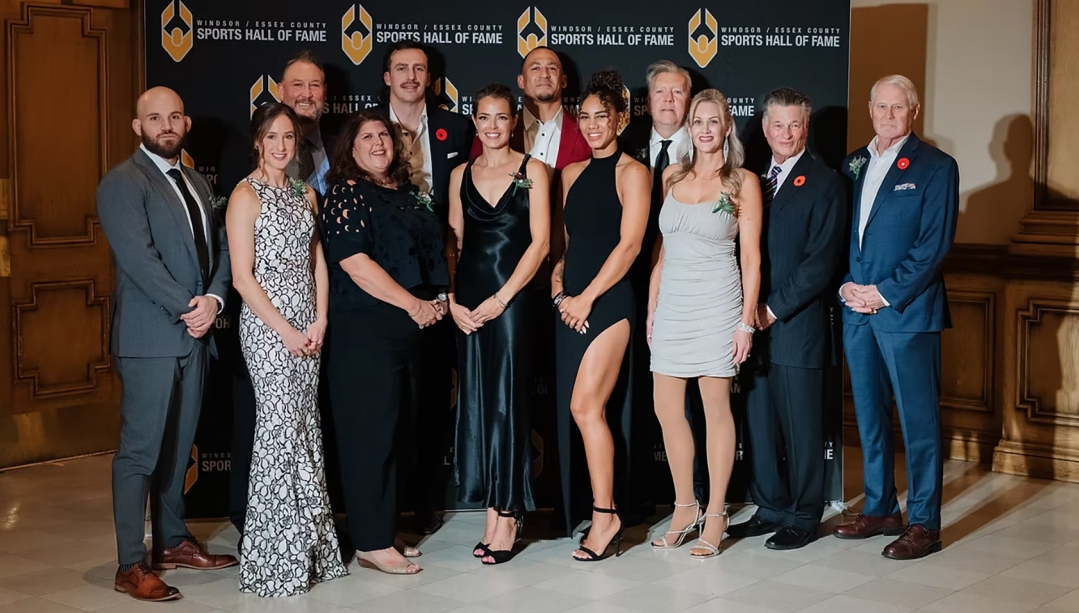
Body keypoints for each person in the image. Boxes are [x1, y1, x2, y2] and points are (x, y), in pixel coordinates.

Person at [96, 86, 236, 602]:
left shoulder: (197, 182)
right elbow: (141, 261)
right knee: (140, 452)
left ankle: (173, 541)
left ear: (186, 122)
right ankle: (131, 562)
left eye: (174, 116)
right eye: (154, 118)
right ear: (138, 127)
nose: (166, 125)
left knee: (179, 449)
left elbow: (219, 249)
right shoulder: (121, 183)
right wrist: (190, 305)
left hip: (195, 334)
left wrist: (216, 301)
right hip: (151, 337)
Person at [319, 109, 450, 575]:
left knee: (398, 434)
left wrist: (436, 300)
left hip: (411, 332)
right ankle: (372, 544)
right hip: (367, 330)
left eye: (383, 135)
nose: (378, 143)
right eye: (366, 137)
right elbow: (354, 262)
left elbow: (433, 254)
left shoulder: (409, 194)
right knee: (369, 437)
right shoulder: (347, 193)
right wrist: (412, 306)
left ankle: (385, 527)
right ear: (350, 149)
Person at [834, 75, 959, 561]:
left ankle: (925, 523)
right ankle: (883, 507)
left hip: (906, 315)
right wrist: (847, 284)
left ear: (914, 110)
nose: (888, 115)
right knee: (868, 417)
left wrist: (883, 293)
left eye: (898, 108)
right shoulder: (854, 163)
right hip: (856, 313)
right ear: (870, 110)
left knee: (918, 422)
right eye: (881, 106)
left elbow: (933, 247)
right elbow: (841, 234)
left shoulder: (936, 166)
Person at [225, 102, 348, 596]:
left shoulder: (304, 193)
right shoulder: (243, 195)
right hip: (267, 331)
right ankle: (274, 560)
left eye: (289, 138)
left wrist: (319, 318)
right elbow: (241, 277)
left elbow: (317, 259)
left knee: (304, 431)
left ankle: (312, 554)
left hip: (308, 327)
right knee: (278, 435)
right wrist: (286, 331)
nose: (280, 146)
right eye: (271, 137)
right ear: (257, 140)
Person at [726, 88, 846, 550]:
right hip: (752, 328)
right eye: (778, 125)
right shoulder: (752, 181)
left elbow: (820, 263)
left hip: (796, 327)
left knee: (800, 428)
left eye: (795, 125)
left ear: (806, 127)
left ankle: (803, 514)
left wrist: (770, 310)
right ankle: (770, 506)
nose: (786, 134)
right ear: (765, 125)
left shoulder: (826, 183)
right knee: (758, 423)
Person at [647, 89, 762, 558]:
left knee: (716, 411)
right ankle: (684, 506)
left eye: (714, 121)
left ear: (727, 126)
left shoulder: (742, 182)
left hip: (718, 304)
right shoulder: (671, 175)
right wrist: (652, 307)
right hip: (672, 304)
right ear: (689, 128)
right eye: (697, 121)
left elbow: (752, 258)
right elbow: (662, 249)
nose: (705, 129)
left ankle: (716, 513)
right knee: (667, 409)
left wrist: (745, 323)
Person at [447, 84, 551, 565]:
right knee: (479, 403)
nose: (493, 126)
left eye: (502, 118)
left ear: (515, 121)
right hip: (468, 304)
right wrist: (452, 301)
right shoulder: (458, 175)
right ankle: (491, 508)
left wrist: (501, 298)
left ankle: (509, 515)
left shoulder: (534, 172)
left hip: (511, 302)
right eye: (484, 117)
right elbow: (454, 246)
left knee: (508, 404)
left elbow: (541, 244)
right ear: (475, 120)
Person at [552, 70, 650, 561]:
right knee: (583, 410)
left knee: (587, 408)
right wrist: (558, 279)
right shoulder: (569, 174)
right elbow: (571, 244)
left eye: (601, 116)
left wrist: (587, 297)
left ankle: (607, 515)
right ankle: (600, 511)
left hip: (608, 304)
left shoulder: (632, 172)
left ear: (619, 119)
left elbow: (630, 246)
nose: (592, 125)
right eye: (584, 117)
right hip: (568, 303)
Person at [380, 40, 473, 534]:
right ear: (387, 77)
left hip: (441, 274)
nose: (411, 76)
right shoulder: (370, 131)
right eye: (402, 69)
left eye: (419, 69)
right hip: (387, 277)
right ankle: (386, 508)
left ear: (430, 78)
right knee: (391, 399)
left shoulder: (456, 126)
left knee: (435, 396)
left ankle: (425, 502)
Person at [620, 60, 694, 518]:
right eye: (660, 93)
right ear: (647, 102)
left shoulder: (711, 148)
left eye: (678, 93)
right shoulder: (624, 146)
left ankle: (696, 492)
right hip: (628, 285)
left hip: (688, 285)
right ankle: (641, 494)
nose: (668, 101)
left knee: (695, 397)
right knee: (638, 396)